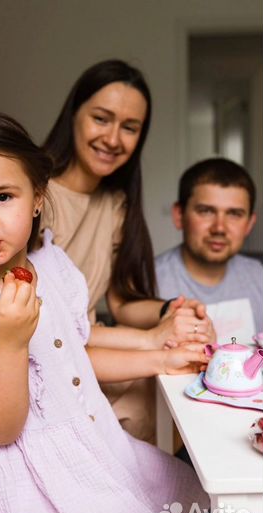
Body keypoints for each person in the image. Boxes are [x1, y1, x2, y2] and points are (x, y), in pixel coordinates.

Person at [0, 110, 209, 513]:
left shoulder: (51, 264)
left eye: (4, 196)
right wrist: (9, 343)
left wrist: (162, 357)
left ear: (38, 197)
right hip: (35, 478)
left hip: (99, 444)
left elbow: (74, 358)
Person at [40, 58, 215, 441]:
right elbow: (42, 326)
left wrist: (172, 310)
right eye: (101, 118)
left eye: (130, 127)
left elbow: (122, 303)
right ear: (74, 114)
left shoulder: (116, 203)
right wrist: (152, 340)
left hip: (91, 350)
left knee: (162, 393)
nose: (114, 139)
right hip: (46, 359)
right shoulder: (31, 195)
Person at [155, 157, 263, 345]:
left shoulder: (259, 277)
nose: (219, 228)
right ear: (179, 215)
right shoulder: (148, 281)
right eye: (206, 211)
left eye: (234, 214)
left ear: (249, 224)